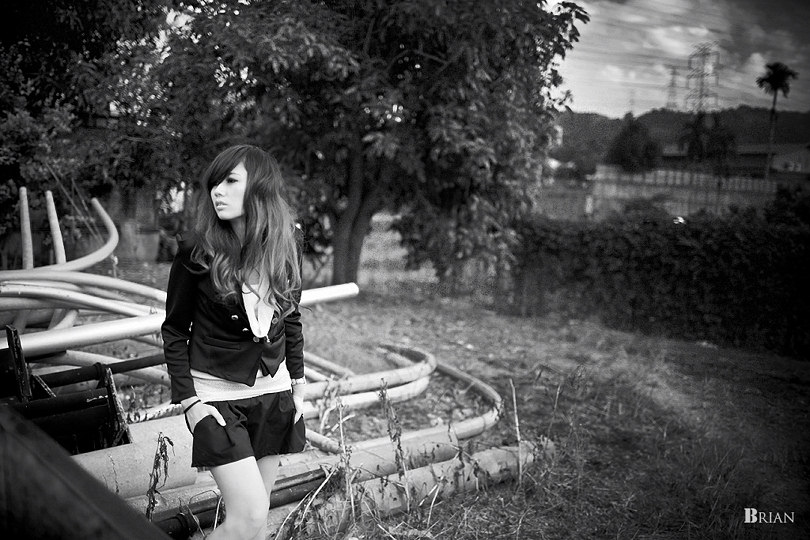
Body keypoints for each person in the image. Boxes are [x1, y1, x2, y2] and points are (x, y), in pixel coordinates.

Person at [162, 144, 306, 540]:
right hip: (216, 398)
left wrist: (298, 387)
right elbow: (174, 329)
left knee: (256, 525)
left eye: (230, 181)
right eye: (215, 183)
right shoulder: (198, 249)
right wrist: (190, 403)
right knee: (249, 516)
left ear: (259, 187)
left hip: (273, 393)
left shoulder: (287, 242)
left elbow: (291, 317)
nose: (217, 191)